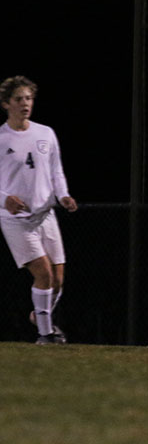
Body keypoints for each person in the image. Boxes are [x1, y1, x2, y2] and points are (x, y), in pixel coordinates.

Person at [0, 76, 77, 345]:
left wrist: (63, 195)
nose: (25, 104)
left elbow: (56, 171)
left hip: (46, 215)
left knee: (57, 280)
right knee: (43, 274)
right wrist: (4, 200)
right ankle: (46, 334)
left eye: (29, 99)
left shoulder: (45, 133)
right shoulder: (0, 138)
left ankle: (40, 315)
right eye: (19, 99)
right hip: (16, 220)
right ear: (6, 103)